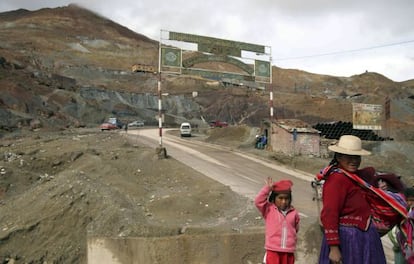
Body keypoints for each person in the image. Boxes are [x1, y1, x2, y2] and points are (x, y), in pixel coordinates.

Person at [317, 135, 388, 264]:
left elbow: (369, 172)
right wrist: (334, 247)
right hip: (347, 239)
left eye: (356, 157)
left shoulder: (354, 178)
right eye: (349, 157)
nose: (354, 161)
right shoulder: (337, 180)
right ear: (338, 157)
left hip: (363, 238)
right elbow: (329, 213)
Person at [255, 178, 300, 264]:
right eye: (280, 198)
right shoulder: (269, 210)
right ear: (274, 198)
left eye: (286, 198)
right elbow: (258, 201)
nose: (283, 201)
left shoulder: (294, 213)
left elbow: (295, 228)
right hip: (273, 251)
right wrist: (267, 189)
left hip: (288, 252)